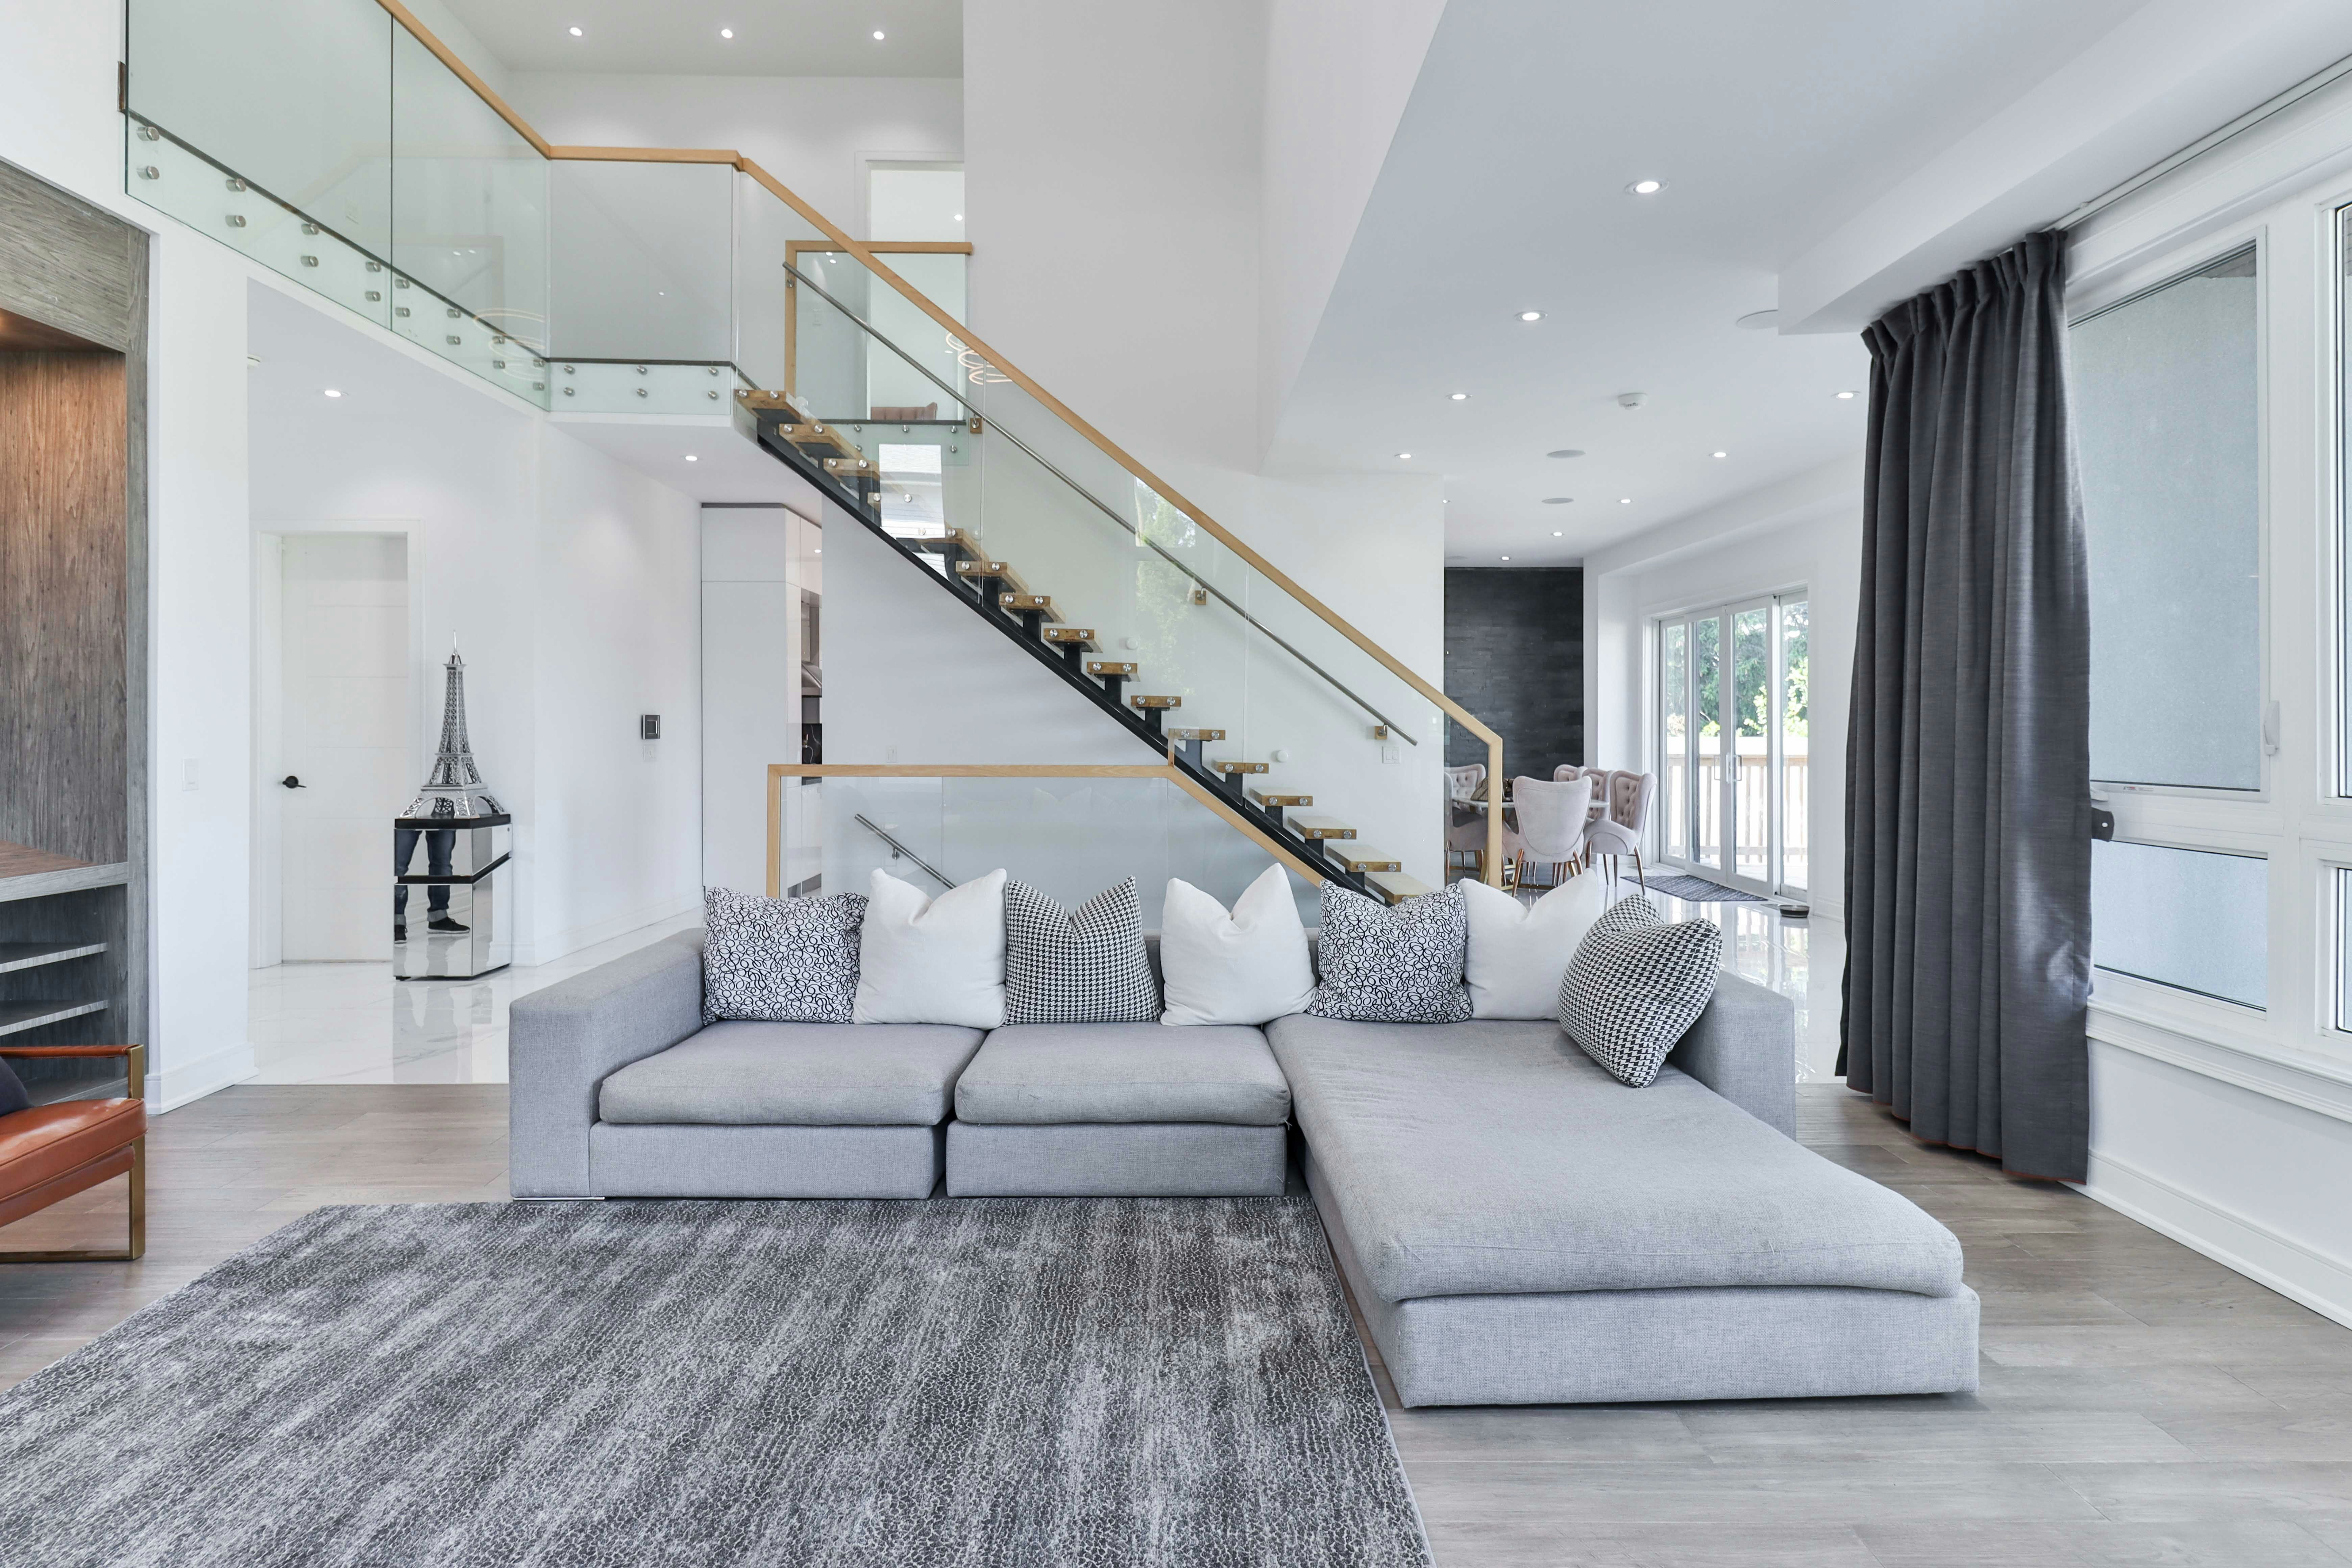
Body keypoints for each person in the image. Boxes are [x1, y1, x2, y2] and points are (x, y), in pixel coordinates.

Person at [393, 827, 468, 941]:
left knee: (443, 866)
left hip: (443, 817)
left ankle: (439, 918)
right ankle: (397, 923)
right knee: (398, 867)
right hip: (405, 816)